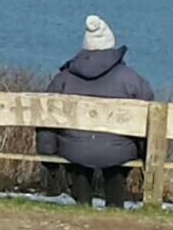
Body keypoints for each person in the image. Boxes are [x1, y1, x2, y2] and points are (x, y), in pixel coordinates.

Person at [35, 15, 154, 207]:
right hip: (118, 152)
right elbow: (150, 117)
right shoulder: (131, 78)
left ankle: (82, 201)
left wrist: (48, 156)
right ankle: (115, 205)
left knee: (79, 155)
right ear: (111, 46)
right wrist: (145, 153)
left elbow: (45, 117)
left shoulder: (64, 78)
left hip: (74, 149)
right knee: (115, 155)